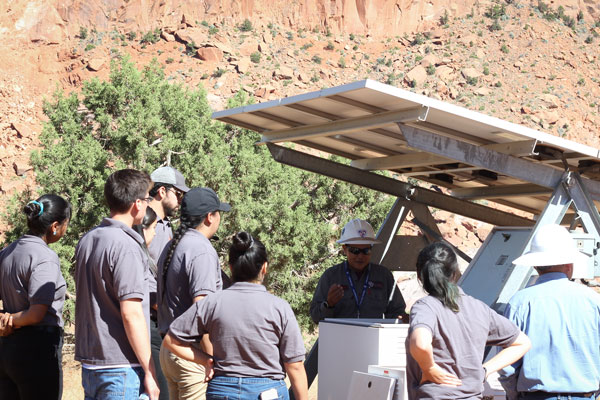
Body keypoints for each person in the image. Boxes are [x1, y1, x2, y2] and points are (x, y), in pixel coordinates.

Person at [163, 232, 308, 400]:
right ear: (264, 267)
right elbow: (295, 366)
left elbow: (171, 341)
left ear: (230, 267)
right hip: (267, 391)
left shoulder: (212, 303)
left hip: (222, 390)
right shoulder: (279, 308)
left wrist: (206, 361)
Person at [74, 169, 160, 400]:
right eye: (147, 198)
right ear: (137, 204)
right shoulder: (126, 245)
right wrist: (150, 371)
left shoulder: (88, 239)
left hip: (92, 364)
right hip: (122, 367)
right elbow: (131, 313)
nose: (148, 203)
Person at [407, 242, 531, 400]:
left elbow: (420, 344)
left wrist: (429, 367)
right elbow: (522, 342)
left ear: (420, 275)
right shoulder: (479, 308)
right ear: (455, 273)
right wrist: (485, 370)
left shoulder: (425, 307)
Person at [499, 224, 600, 400]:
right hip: (584, 395)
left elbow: (507, 364)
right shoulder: (593, 300)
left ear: (536, 266)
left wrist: (514, 395)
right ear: (569, 264)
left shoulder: (519, 302)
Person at [158, 187, 231, 400]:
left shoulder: (174, 244)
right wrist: (208, 359)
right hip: (192, 353)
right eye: (219, 213)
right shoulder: (200, 249)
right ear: (210, 217)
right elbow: (204, 313)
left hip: (170, 349)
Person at [0, 194, 71, 400]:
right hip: (38, 350)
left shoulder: (7, 252)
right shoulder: (45, 256)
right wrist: (10, 320)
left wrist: (5, 322)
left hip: (6, 351)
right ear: (55, 226)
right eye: (66, 224)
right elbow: (36, 313)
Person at [310, 218, 407, 323]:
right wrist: (329, 304)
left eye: (366, 250)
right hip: (339, 337)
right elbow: (315, 317)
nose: (360, 256)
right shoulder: (331, 276)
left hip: (373, 337)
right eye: (355, 251)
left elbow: (397, 312)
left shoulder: (384, 276)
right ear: (344, 249)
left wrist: (402, 317)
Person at [134, 207, 168, 400]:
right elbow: (151, 299)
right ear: (143, 229)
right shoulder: (137, 258)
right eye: (153, 228)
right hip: (149, 332)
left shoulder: (144, 257)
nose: (155, 233)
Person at [148, 166, 190, 263]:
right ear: (162, 191)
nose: (180, 200)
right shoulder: (142, 221)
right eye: (178, 194)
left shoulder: (165, 223)